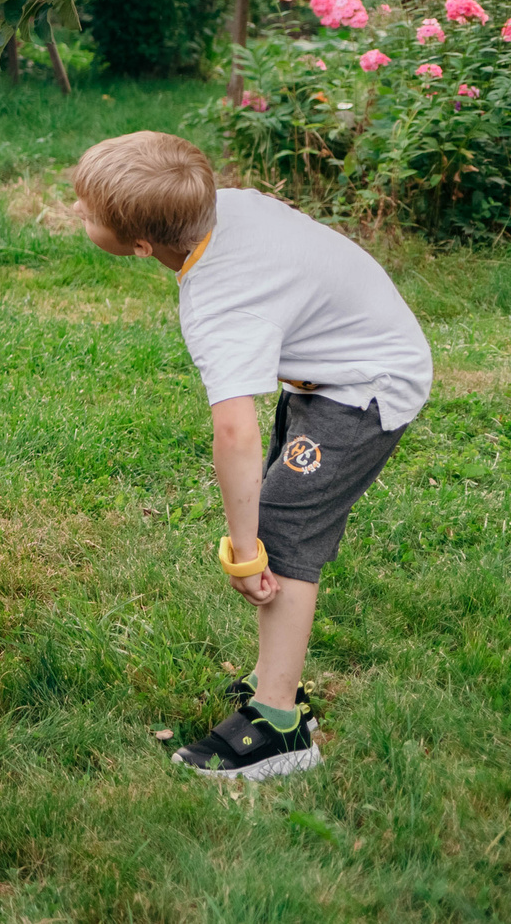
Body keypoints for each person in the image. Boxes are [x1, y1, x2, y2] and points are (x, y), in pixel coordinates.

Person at [72, 132, 429, 781]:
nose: (77, 215)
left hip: (368, 387)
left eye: (87, 212)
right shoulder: (224, 204)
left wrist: (244, 549)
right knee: (285, 515)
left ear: (144, 245)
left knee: (282, 532)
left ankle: (279, 725)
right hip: (336, 366)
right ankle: (277, 678)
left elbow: (233, 433)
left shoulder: (218, 301)